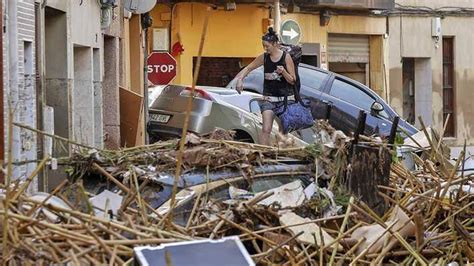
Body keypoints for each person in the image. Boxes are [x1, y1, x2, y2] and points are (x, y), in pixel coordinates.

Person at [234, 27, 296, 145]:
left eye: (267, 46)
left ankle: (280, 156)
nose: (265, 48)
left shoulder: (286, 57)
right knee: (266, 129)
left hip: (285, 100)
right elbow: (248, 68)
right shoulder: (264, 57)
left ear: (274, 44)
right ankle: (264, 154)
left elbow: (293, 80)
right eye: (263, 46)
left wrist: (283, 72)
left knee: (282, 132)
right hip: (268, 99)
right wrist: (240, 79)